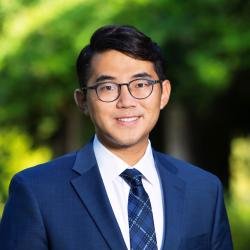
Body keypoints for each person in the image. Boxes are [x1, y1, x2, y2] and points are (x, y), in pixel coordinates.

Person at [0, 25, 233, 250]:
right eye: (108, 87)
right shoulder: (36, 192)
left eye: (141, 84)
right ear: (82, 100)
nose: (127, 101)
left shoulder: (204, 190)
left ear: (164, 94)